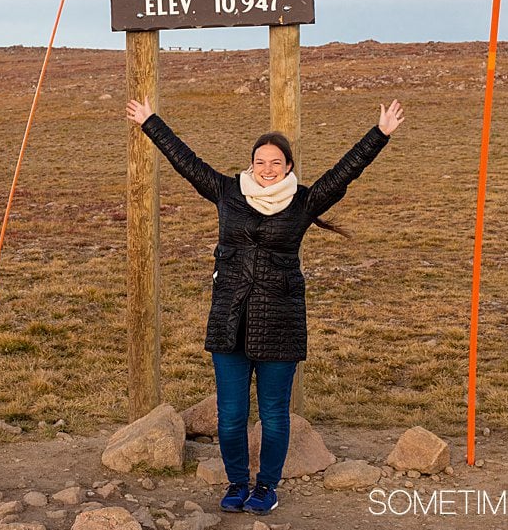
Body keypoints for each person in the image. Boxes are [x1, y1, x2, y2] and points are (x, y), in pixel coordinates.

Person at [126, 95, 404, 515]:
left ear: (288, 166)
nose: (267, 169)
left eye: (276, 162)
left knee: (274, 415)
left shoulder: (305, 201)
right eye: (260, 162)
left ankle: (266, 487)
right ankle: (237, 483)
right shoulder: (226, 192)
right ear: (251, 164)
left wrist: (379, 134)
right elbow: (186, 162)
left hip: (280, 321)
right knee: (231, 415)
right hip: (229, 320)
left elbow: (344, 173)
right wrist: (151, 122)